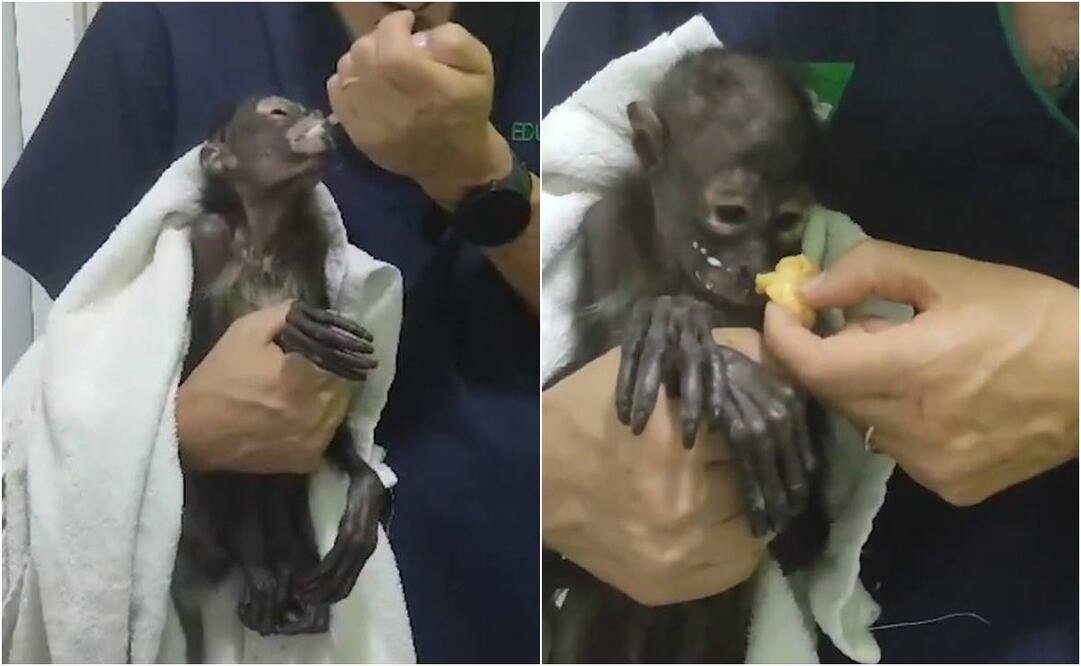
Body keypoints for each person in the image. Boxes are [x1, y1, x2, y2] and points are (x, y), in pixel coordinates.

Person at [3, 3, 539, 662]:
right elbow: (81, 379)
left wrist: (479, 174)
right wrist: (177, 428)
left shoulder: (556, 34)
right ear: (219, 157)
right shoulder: (170, 26)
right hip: (253, 603)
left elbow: (627, 301)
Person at [542, 3, 1078, 662]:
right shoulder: (612, 219)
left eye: (784, 223)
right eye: (731, 214)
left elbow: (804, 527)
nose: (753, 255)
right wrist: (545, 471)